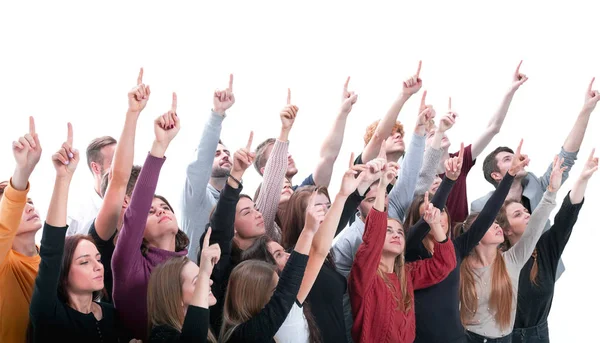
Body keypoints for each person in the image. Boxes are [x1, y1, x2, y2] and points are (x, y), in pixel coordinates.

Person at [220, 158, 366, 343]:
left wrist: (343, 195)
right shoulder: (258, 326)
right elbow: (314, 252)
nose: (290, 255)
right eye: (279, 254)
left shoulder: (290, 307)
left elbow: (319, 251)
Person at [472, 78, 600, 279]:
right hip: (503, 278)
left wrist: (586, 110)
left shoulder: (539, 188)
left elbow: (566, 155)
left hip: (542, 272)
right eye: (508, 159)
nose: (517, 159)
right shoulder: (481, 208)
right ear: (496, 175)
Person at [404, 141, 527, 343]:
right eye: (429, 214)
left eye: (442, 212)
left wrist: (510, 176)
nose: (438, 217)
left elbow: (487, 215)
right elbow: (423, 225)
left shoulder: (456, 248)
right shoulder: (412, 249)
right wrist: (448, 183)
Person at [29, 123, 140, 342]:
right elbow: (52, 248)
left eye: (97, 259)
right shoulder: (48, 315)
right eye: (84, 262)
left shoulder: (112, 315)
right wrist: (63, 178)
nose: (98, 266)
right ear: (63, 273)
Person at [348, 158, 456, 343]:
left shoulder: (406, 275)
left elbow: (445, 264)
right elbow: (372, 238)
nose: (396, 235)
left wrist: (435, 225)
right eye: (388, 231)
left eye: (399, 231)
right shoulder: (365, 274)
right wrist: (382, 187)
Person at [460, 154, 565, 342]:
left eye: (496, 223)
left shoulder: (512, 260)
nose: (496, 225)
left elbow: (535, 226)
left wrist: (550, 191)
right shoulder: (461, 266)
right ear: (475, 237)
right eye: (488, 225)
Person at [112, 93, 189, 340]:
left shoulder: (191, 266)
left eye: (165, 207)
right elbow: (134, 215)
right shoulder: (129, 267)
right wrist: (160, 146)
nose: (161, 211)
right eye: (151, 210)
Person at [502, 149, 597, 343]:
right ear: (506, 230)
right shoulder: (496, 257)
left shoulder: (546, 248)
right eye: (517, 215)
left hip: (537, 336)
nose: (527, 214)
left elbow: (567, 214)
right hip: (501, 337)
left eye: (525, 210)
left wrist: (582, 180)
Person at [425, 61, 529, 225]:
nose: (440, 133)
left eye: (441, 130)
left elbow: (493, 128)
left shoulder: (461, 159)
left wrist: (511, 90)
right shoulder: (422, 174)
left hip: (459, 238)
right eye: (431, 134)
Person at [89, 68, 148, 303]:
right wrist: (133, 114)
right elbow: (119, 179)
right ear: (125, 200)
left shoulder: (152, 238)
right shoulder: (104, 237)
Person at [253, 81, 358, 190]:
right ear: (265, 171)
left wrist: (343, 112)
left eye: (286, 152)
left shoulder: (302, 196)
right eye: (280, 155)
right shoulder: (257, 205)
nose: (288, 156)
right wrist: (285, 129)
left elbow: (328, 157)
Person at [181, 74, 237, 259]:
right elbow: (201, 162)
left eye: (227, 152)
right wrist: (217, 114)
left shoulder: (237, 201)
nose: (225, 156)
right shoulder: (197, 198)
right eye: (217, 153)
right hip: (196, 281)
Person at [0, 117, 43, 342]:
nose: (27, 206)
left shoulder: (53, 257)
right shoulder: (3, 264)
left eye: (30, 201)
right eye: (19, 204)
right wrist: (22, 171)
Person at [147, 228, 221, 343]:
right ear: (176, 296)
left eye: (204, 278)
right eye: (198, 281)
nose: (209, 282)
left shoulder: (208, 323)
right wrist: (204, 274)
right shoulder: (162, 334)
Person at [67, 134, 116, 236]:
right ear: (96, 168)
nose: (123, 167)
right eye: (115, 162)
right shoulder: (76, 216)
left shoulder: (138, 203)